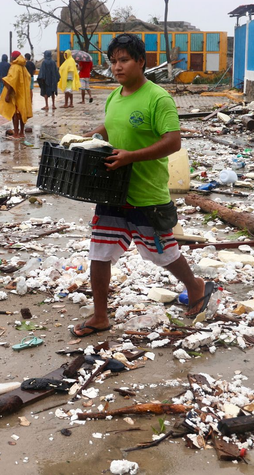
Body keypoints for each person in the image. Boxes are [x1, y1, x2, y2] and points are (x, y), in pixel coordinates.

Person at [72, 34, 207, 338]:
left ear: (141, 62)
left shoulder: (157, 97)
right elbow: (110, 125)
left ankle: (194, 285)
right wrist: (88, 136)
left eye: (124, 60)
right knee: (100, 252)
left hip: (146, 193)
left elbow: (173, 141)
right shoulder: (114, 96)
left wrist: (131, 156)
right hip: (112, 191)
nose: (116, 67)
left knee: (163, 254)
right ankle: (100, 316)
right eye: (113, 61)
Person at [0, 50, 32, 139]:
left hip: (15, 94)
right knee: (22, 112)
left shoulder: (14, 67)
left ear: (13, 57)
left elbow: (11, 81)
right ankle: (21, 133)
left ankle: (16, 133)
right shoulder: (24, 67)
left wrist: (8, 94)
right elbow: (28, 78)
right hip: (23, 93)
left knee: (15, 114)